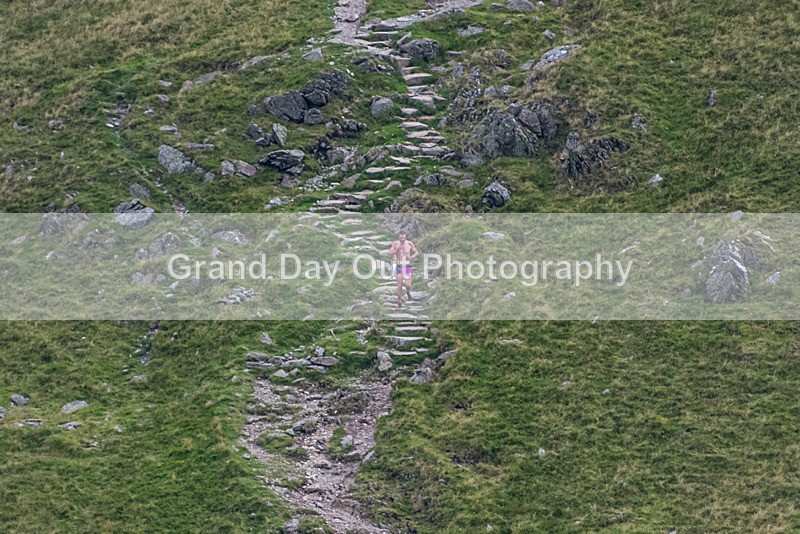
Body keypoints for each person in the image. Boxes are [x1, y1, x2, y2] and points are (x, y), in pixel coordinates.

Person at [386, 231, 419, 309]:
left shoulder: (409, 243)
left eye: (403, 237)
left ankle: (408, 292)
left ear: (405, 237)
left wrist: (412, 257)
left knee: (408, 285)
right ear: (399, 237)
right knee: (399, 285)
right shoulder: (395, 244)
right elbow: (389, 253)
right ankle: (399, 303)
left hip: (407, 265)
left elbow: (416, 252)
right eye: (401, 238)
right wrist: (396, 250)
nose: (402, 239)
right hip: (399, 265)